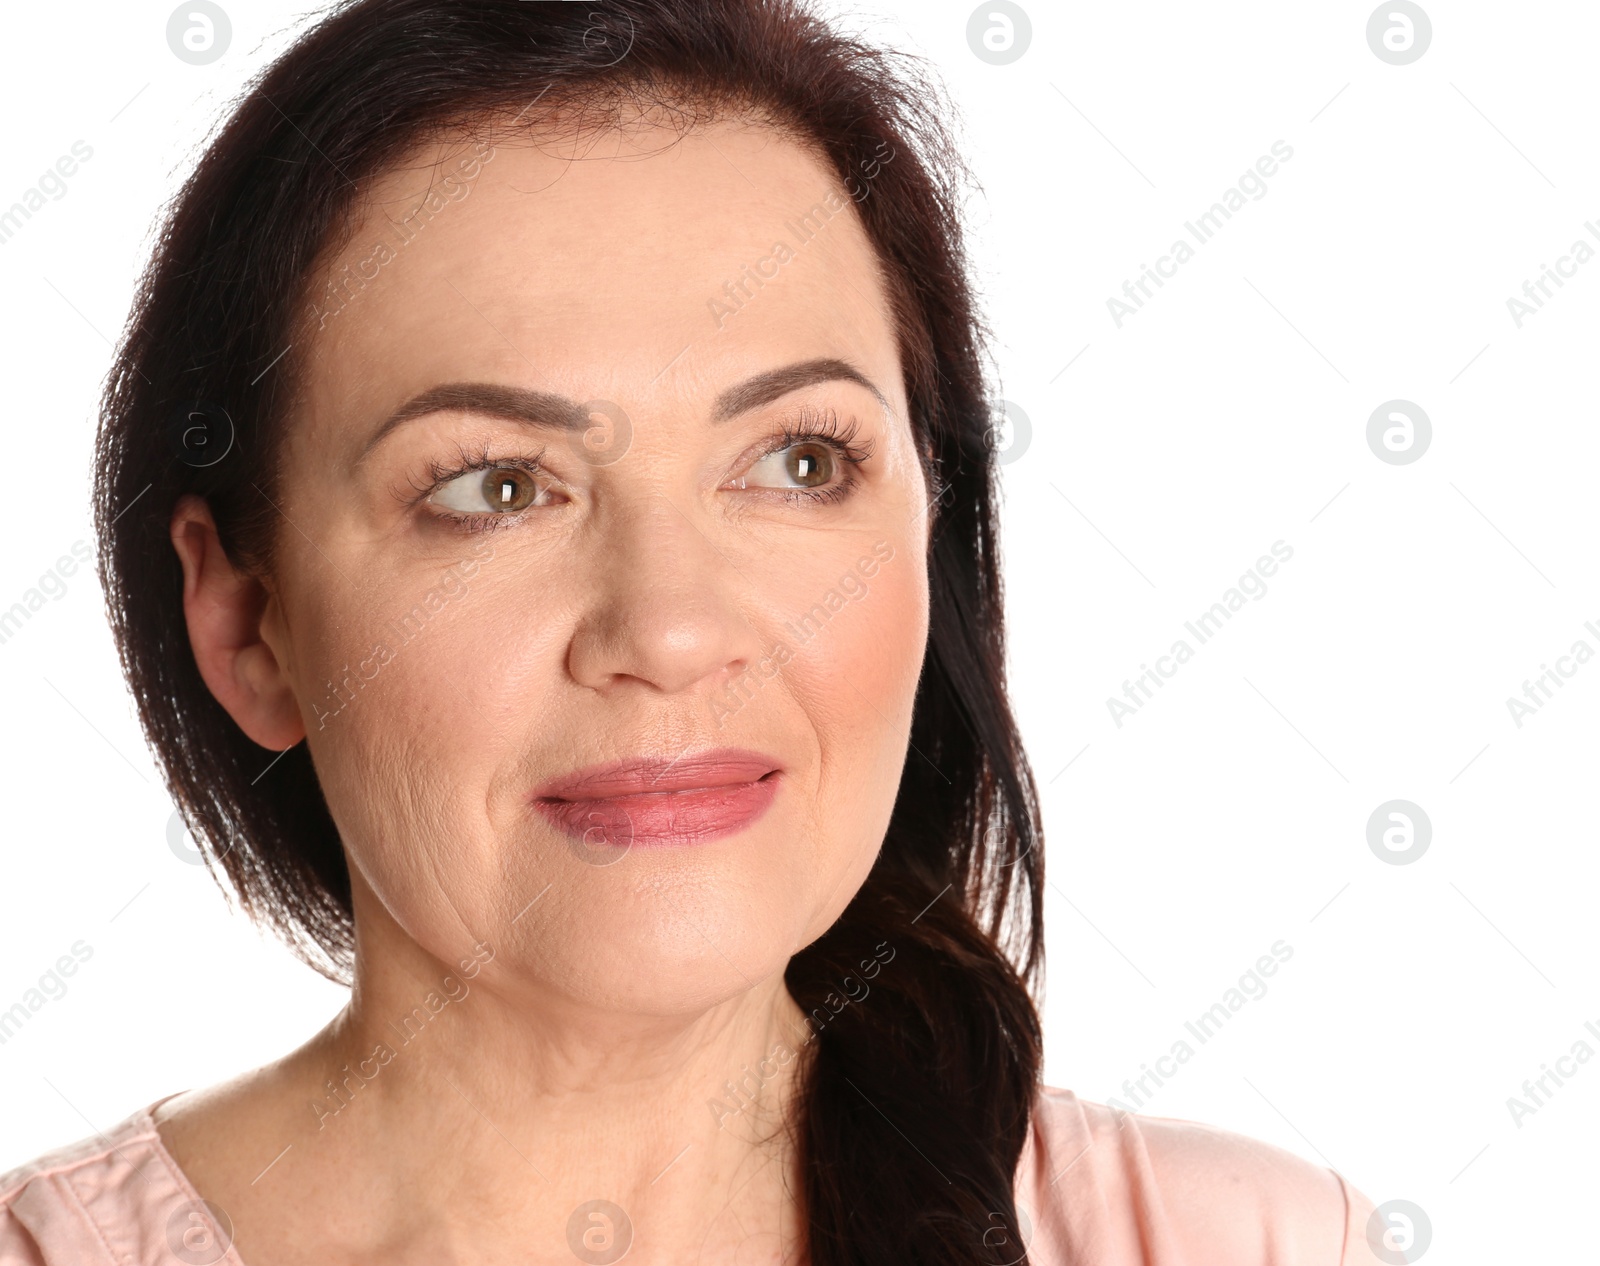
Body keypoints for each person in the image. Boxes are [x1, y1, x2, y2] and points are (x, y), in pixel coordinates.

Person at [0, 2, 1392, 1262]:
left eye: (798, 460)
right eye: (494, 487)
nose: (666, 631)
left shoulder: (1251, 1243)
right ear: (249, 622)